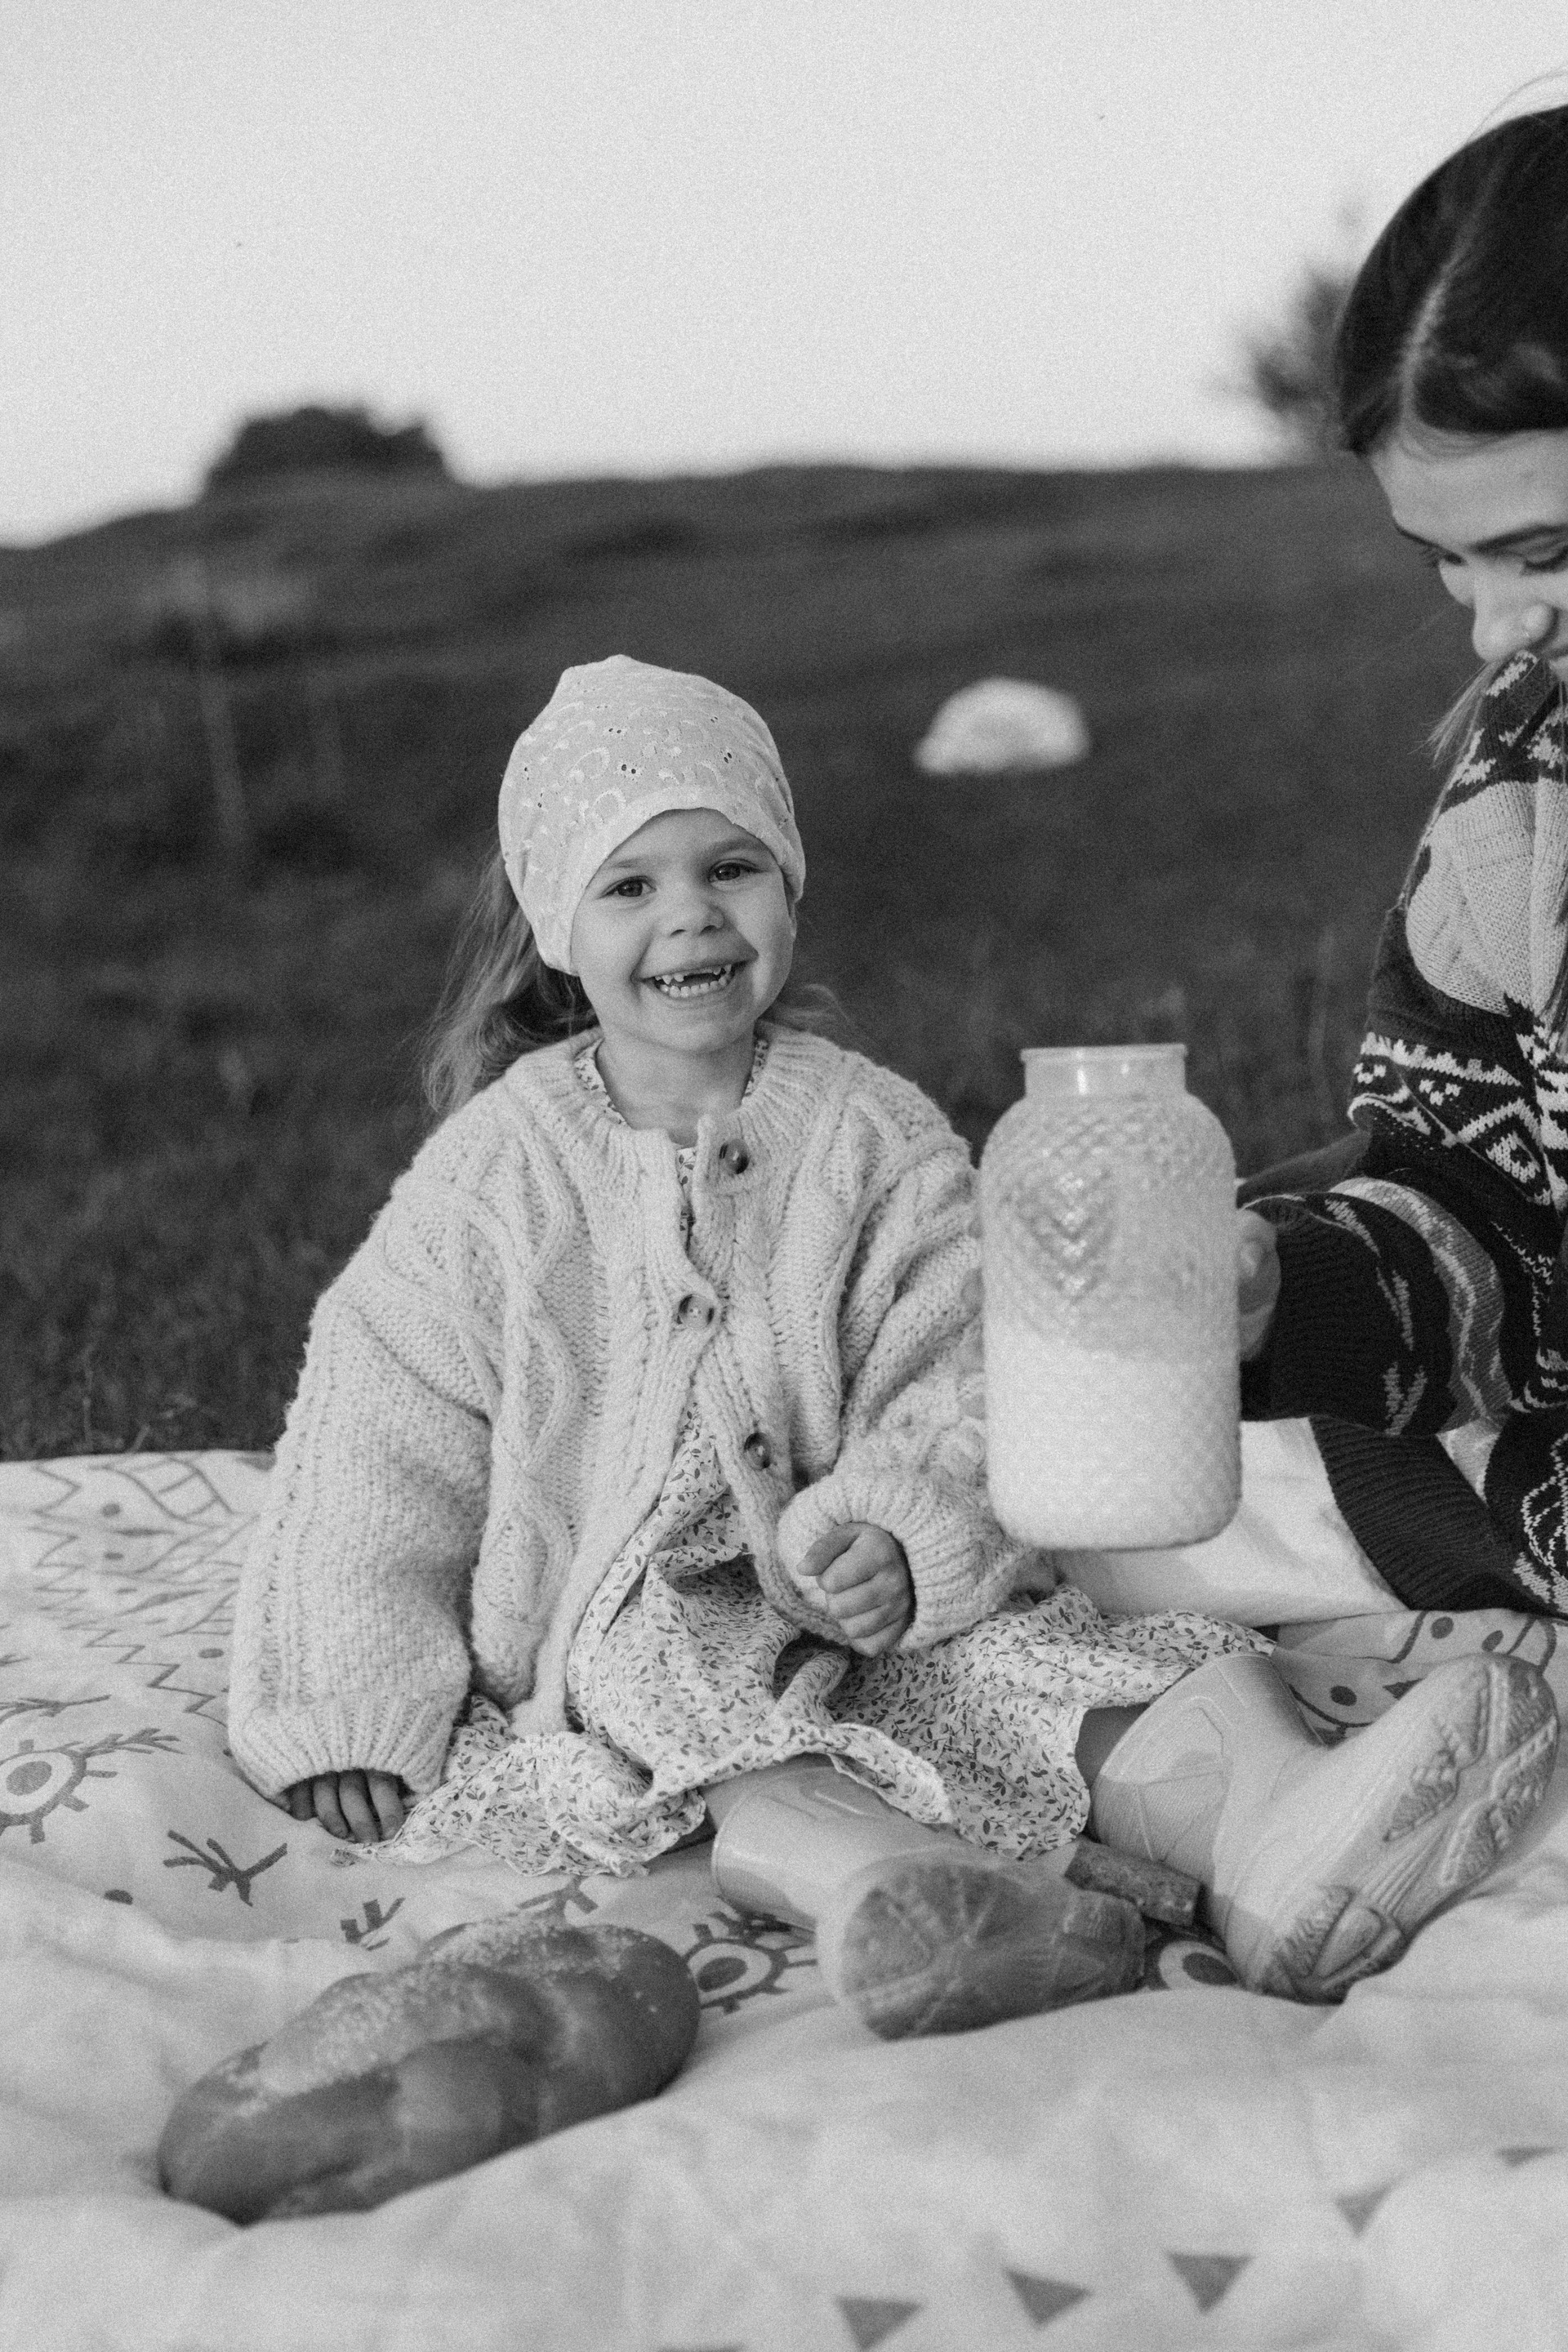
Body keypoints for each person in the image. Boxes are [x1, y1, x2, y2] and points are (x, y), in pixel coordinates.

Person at [229, 655, 1555, 2026]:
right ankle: (908, 1897)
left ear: (789, 886)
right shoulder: (492, 1178)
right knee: (694, 1701)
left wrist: (904, 1523)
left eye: (731, 867)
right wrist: (348, 1696)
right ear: (555, 926)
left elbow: (963, 1366)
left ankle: (1283, 1829)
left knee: (1067, 1654)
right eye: (628, 886)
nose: (690, 914)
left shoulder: (874, 1136)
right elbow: (378, 1436)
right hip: (634, 1600)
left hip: (863, 1580)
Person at [1236, 105, 1568, 1620]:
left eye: (1545, 553)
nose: (1499, 629)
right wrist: (1278, 1292)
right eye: (1448, 558)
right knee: (1044, 1477)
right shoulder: (1523, 794)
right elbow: (1484, 1213)